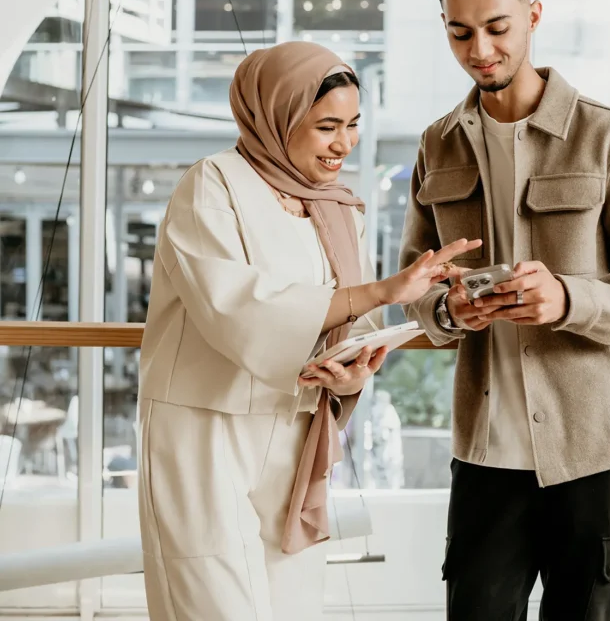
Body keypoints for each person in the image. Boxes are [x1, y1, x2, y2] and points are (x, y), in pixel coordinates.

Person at [136, 41, 479, 621]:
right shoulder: (212, 184)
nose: (345, 144)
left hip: (297, 430)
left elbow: (353, 328)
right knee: (213, 605)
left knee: (292, 605)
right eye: (326, 127)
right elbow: (234, 309)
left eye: (353, 125)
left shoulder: (339, 208)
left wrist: (350, 376)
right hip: (204, 427)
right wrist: (383, 292)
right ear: (277, 116)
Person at [399, 0, 610, 620]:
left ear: (533, 16)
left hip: (593, 441)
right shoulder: (436, 144)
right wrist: (449, 312)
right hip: (485, 444)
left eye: (497, 28)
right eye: (460, 33)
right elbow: (418, 283)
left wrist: (567, 298)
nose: (480, 50)